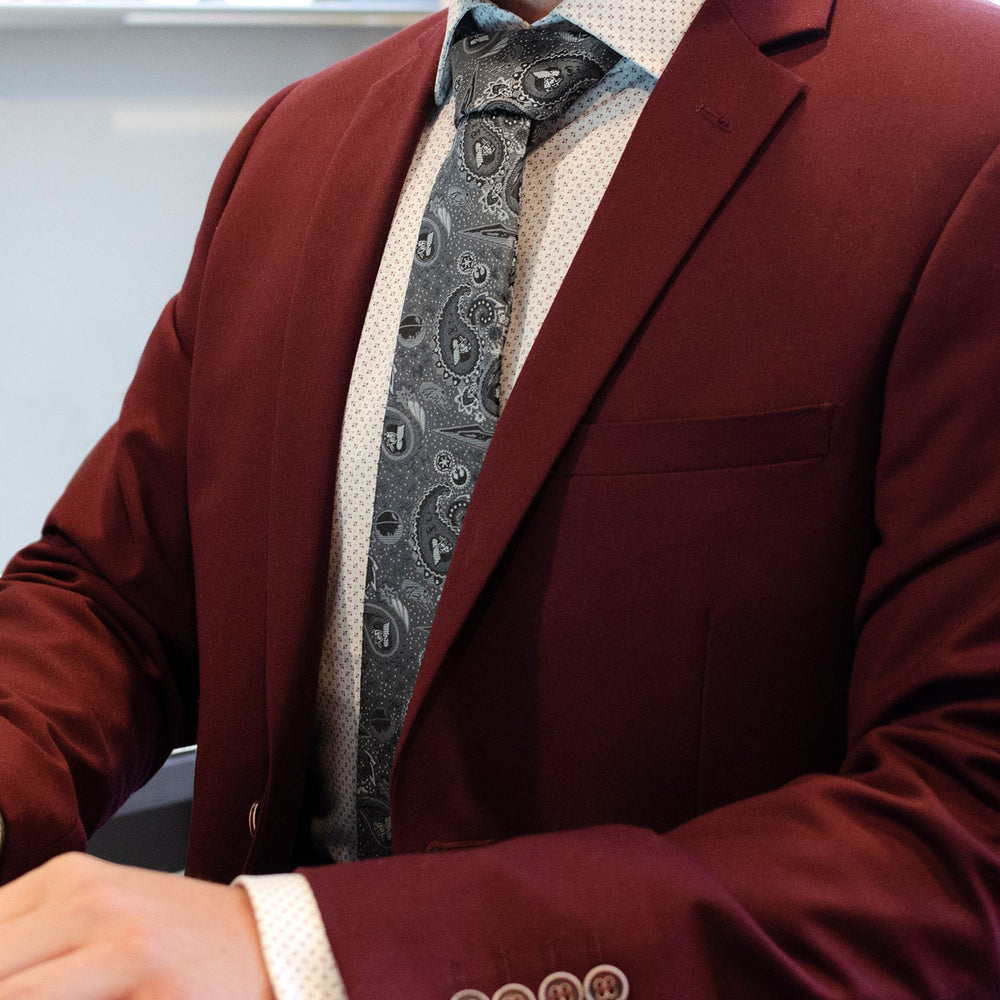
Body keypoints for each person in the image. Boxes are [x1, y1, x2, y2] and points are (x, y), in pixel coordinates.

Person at [1, 0, 1000, 995]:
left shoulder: (961, 125)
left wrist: (303, 951)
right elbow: (115, 597)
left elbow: (960, 822)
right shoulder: (294, 143)